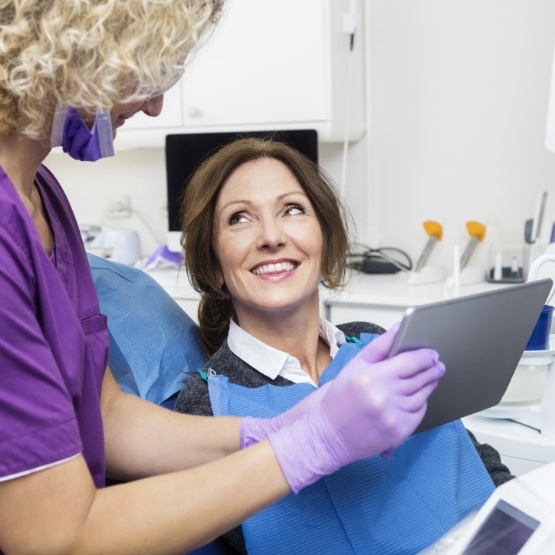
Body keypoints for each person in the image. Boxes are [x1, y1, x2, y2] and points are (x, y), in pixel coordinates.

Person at [0, 2, 447, 554]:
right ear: (79, 48)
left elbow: (105, 414)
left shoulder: (43, 196)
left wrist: (279, 427)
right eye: (147, 68)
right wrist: (309, 444)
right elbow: (53, 539)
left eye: (293, 210)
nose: (158, 103)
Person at [174, 136, 515, 555]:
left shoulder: (377, 340)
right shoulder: (203, 407)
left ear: (326, 240)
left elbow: (475, 459)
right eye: (240, 218)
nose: (271, 236)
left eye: (292, 209)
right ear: (213, 265)